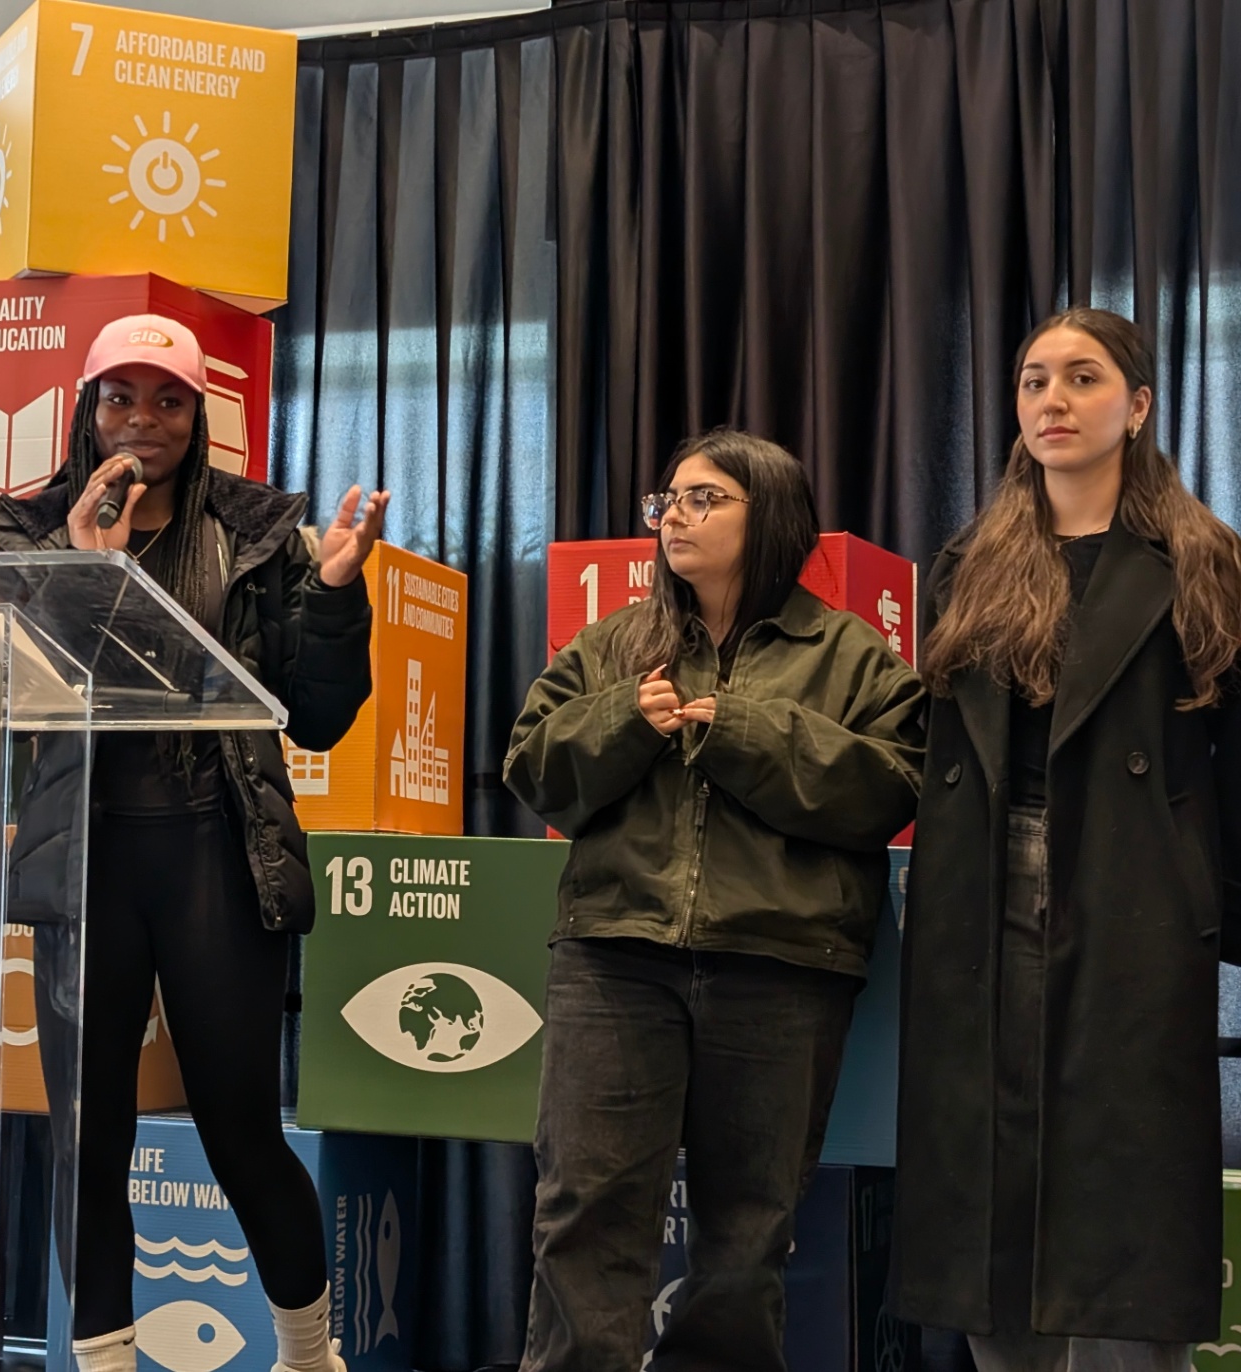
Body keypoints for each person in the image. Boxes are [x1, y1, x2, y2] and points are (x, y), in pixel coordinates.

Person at [0, 314, 389, 1372]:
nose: (143, 421)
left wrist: (336, 596)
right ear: (87, 409)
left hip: (212, 843)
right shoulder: (28, 532)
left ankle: (307, 1355)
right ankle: (106, 1364)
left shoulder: (260, 532)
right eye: (121, 397)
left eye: (167, 400)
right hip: (86, 856)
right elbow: (14, 698)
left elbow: (316, 713)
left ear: (200, 417)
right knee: (87, 1137)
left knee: (242, 1125)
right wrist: (86, 571)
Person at [503, 430, 925, 1372]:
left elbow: (892, 790)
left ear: (767, 514)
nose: (673, 520)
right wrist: (621, 720)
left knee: (746, 1240)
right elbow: (532, 768)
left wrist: (741, 730)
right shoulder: (617, 643)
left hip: (781, 968)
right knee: (584, 1218)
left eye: (703, 500)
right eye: (667, 503)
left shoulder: (853, 656)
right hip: (613, 957)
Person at [893, 308, 1241, 1372]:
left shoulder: (1203, 561)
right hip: (978, 903)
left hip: (1133, 901)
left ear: (1136, 407)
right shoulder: (968, 564)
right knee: (989, 1229)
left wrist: (1205, 897)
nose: (1052, 399)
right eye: (1035, 380)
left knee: (1124, 1234)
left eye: (1083, 379)